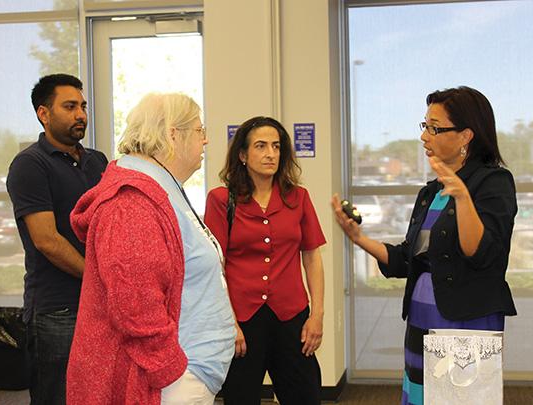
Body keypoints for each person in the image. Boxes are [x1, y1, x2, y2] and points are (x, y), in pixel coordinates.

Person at [331, 86, 517, 405]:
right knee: (422, 395)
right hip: (422, 313)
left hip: (465, 317)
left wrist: (461, 195)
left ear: (465, 136)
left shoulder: (493, 182)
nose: (424, 137)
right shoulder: (431, 192)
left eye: (435, 127)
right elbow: (408, 258)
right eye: (425, 126)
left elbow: (483, 252)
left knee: (460, 397)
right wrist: (359, 239)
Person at [66, 93, 236, 405]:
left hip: (183, 374)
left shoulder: (159, 188)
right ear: (173, 134)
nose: (206, 141)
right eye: (200, 131)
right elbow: (134, 304)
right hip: (169, 382)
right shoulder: (130, 202)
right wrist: (170, 370)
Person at [204, 116, 326, 405]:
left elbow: (312, 257)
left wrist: (317, 315)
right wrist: (228, 323)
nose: (271, 153)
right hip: (243, 320)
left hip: (291, 316)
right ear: (243, 155)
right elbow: (214, 267)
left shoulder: (298, 197)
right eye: (261, 146)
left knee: (305, 395)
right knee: (241, 397)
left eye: (276, 146)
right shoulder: (221, 200)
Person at [6, 73, 108, 405]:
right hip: (56, 309)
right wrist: (98, 278)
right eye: (70, 106)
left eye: (83, 106)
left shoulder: (98, 161)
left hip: (99, 303)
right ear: (44, 113)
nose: (81, 114)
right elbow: (47, 240)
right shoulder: (29, 165)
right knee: (58, 398)